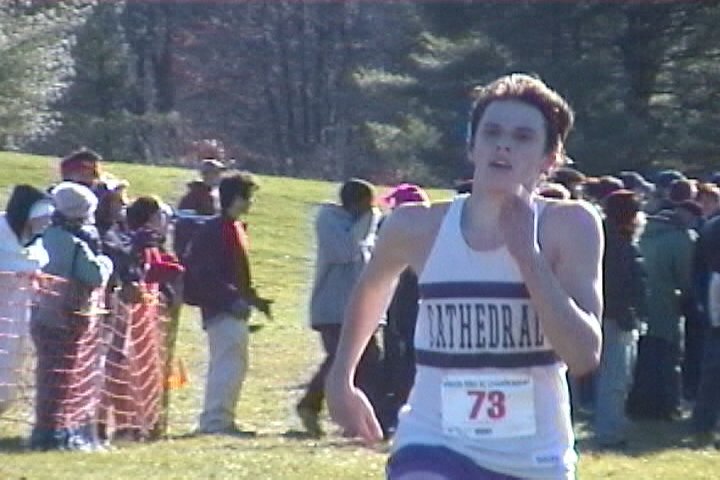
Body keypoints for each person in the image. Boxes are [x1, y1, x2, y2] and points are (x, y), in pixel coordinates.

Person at [326, 73, 603, 480]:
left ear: (550, 158)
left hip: (532, 457)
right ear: (472, 146)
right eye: (492, 132)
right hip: (433, 440)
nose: (503, 145)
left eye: (523, 137)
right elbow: (372, 288)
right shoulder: (416, 226)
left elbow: (583, 355)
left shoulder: (570, 226)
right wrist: (341, 378)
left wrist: (527, 255)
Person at [183, 172, 272, 435]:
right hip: (221, 309)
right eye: (248, 197)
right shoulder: (215, 230)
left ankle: (223, 418)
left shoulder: (233, 227)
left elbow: (236, 272)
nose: (250, 203)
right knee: (227, 364)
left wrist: (254, 299)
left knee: (234, 364)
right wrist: (232, 299)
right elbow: (204, 273)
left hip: (231, 308)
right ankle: (215, 421)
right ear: (236, 198)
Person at [296, 178, 384, 438]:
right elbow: (346, 252)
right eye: (367, 205)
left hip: (360, 308)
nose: (371, 211)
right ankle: (311, 405)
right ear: (353, 204)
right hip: (332, 307)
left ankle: (354, 419)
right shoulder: (329, 220)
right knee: (339, 360)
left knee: (367, 361)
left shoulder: (363, 226)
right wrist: (368, 221)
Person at [30, 182, 113, 451]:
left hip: (40, 312)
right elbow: (94, 275)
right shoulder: (75, 243)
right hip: (68, 315)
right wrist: (106, 261)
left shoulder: (42, 235)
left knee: (47, 372)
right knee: (64, 375)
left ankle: (48, 427)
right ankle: (55, 430)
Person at [593, 190, 647, 449]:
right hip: (618, 318)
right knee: (615, 379)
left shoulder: (598, 237)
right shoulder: (622, 245)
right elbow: (627, 285)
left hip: (598, 314)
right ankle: (609, 432)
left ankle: (608, 425)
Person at [0, 185, 53, 415]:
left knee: (11, 357)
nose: (45, 223)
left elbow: (34, 263)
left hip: (17, 311)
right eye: (41, 217)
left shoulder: (33, 241)